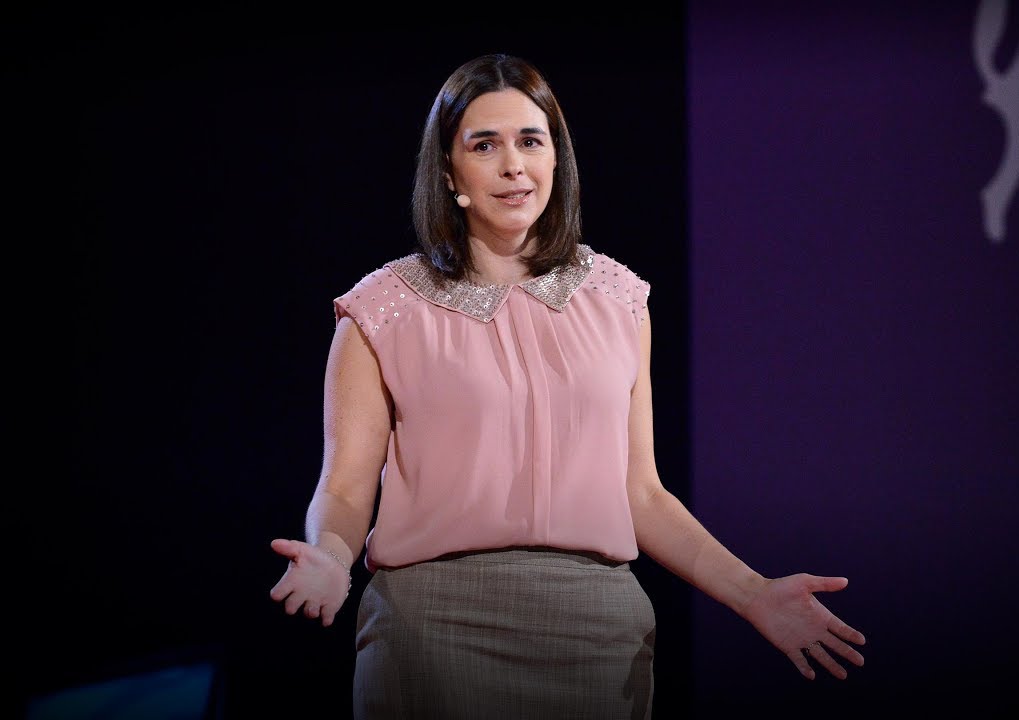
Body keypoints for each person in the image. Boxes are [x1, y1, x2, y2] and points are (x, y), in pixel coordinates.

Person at [269, 52, 867, 719]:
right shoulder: (383, 310)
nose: (513, 165)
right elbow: (346, 488)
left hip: (600, 634)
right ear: (448, 172)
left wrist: (753, 593)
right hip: (433, 627)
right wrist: (330, 559)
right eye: (484, 145)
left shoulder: (618, 299)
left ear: (557, 159)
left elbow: (642, 493)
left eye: (531, 141)